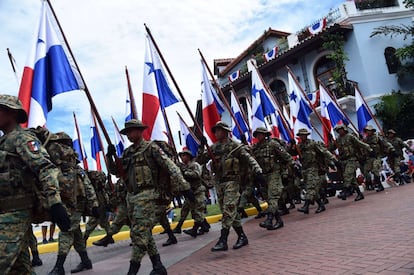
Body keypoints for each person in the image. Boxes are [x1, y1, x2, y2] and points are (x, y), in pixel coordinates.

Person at [107, 119, 192, 275]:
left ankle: (132, 271)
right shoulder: (128, 153)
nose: (128, 135)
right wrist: (110, 157)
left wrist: (184, 186)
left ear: (140, 131)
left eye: (131, 131)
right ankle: (158, 266)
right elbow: (117, 172)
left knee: (139, 233)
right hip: (131, 197)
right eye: (127, 133)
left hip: (148, 196)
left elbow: (169, 165)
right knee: (143, 232)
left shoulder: (151, 148)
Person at [0, 94, 70, 274]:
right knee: (19, 270)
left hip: (16, 213)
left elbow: (46, 168)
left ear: (12, 114)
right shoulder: (3, 142)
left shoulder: (22, 138)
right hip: (5, 213)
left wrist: (55, 203)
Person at [197, 121, 263, 252]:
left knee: (229, 209)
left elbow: (249, 158)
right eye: (215, 130)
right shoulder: (214, 147)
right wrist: (201, 147)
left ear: (225, 131)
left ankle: (223, 240)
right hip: (219, 182)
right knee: (230, 212)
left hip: (232, 181)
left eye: (218, 130)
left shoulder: (235, 146)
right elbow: (200, 160)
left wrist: (258, 171)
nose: (216, 133)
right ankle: (242, 236)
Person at [47, 132, 99, 275]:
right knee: (76, 235)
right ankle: (86, 261)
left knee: (66, 231)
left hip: (76, 203)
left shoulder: (75, 169)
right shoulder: (54, 169)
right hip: (65, 203)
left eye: (62, 145)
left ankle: (59, 266)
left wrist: (94, 204)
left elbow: (88, 186)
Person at [251, 127, 294, 228]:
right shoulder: (255, 148)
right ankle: (279, 220)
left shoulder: (273, 144)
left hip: (274, 174)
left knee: (273, 198)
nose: (258, 136)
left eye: (260, 134)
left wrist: (292, 166)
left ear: (265, 135)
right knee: (269, 200)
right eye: (257, 134)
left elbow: (285, 156)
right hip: (263, 176)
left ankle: (269, 219)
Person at [289, 129, 336, 214]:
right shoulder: (299, 146)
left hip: (313, 168)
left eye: (303, 135)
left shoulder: (313, 143)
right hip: (305, 169)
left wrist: (334, 160)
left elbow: (324, 151)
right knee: (311, 189)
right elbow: (292, 153)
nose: (302, 136)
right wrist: (291, 145)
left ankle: (306, 206)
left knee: (311, 187)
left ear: (307, 135)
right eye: (300, 135)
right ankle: (321, 205)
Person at [330, 125, 372, 201]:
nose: (340, 131)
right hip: (343, 161)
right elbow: (331, 148)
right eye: (338, 130)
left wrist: (369, 148)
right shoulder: (338, 139)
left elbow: (359, 143)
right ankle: (359, 194)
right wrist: (330, 140)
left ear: (344, 130)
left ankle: (344, 191)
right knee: (352, 180)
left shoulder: (350, 137)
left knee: (347, 175)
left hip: (351, 159)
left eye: (341, 129)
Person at [177, 149, 208, 237]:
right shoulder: (183, 166)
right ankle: (203, 226)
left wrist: (185, 172)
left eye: (183, 156)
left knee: (198, 210)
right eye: (181, 156)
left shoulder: (195, 165)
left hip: (198, 190)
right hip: (190, 192)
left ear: (188, 156)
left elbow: (197, 174)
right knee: (186, 210)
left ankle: (196, 229)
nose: (182, 158)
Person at [362, 125, 395, 192]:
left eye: (369, 130)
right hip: (369, 158)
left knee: (375, 170)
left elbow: (385, 143)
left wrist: (392, 149)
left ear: (372, 131)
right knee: (365, 171)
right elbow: (363, 148)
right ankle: (369, 184)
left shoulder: (377, 137)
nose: (368, 132)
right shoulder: (365, 139)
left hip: (377, 156)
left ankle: (380, 185)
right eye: (367, 131)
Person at [83, 170, 111, 244]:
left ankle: (84, 238)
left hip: (98, 204)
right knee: (104, 222)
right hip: (100, 203)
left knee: (92, 222)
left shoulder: (96, 187)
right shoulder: (99, 186)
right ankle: (110, 236)